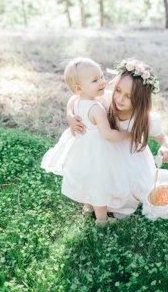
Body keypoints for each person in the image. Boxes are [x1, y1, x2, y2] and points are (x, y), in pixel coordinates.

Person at [68, 58, 168, 220]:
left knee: (128, 194)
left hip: (130, 162)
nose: (120, 99)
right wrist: (70, 115)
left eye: (128, 96)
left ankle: (111, 203)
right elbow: (76, 97)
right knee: (99, 180)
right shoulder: (106, 100)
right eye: (118, 91)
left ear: (140, 99)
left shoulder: (145, 119)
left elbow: (164, 138)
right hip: (104, 158)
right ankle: (99, 203)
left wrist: (165, 148)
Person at [41, 57, 131, 225]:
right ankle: (102, 220)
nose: (102, 82)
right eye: (95, 80)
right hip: (97, 151)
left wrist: (69, 113)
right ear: (79, 88)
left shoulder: (76, 101)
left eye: (102, 76)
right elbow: (107, 134)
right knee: (99, 182)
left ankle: (88, 206)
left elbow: (71, 100)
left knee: (88, 178)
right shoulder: (95, 108)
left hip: (82, 150)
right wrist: (126, 134)